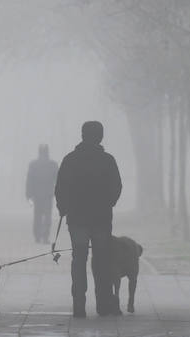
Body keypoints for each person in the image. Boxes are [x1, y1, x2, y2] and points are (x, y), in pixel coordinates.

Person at [54, 120, 123, 317]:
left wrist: (63, 208)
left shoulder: (70, 160)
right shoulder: (108, 160)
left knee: (79, 259)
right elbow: (116, 187)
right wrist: (108, 203)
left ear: (82, 135)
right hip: (101, 219)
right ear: (100, 137)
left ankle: (79, 303)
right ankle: (103, 303)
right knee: (102, 260)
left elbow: (60, 188)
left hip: (77, 219)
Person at [25, 144, 59, 243]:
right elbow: (57, 180)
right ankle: (45, 236)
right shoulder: (53, 164)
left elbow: (29, 180)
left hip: (37, 194)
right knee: (47, 216)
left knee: (37, 216)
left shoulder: (33, 164)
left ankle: (37, 236)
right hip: (48, 194)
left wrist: (28, 194)